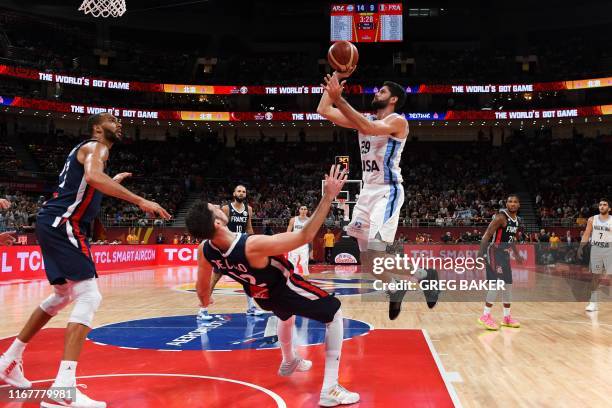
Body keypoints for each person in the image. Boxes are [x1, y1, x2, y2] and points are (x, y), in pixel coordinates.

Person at [0, 113, 170, 407]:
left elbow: (88, 183)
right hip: (63, 223)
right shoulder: (97, 147)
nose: (118, 123)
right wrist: (141, 200)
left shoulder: (87, 151)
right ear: (96, 128)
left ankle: (8, 360)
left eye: (120, 121)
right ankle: (63, 389)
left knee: (61, 295)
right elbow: (92, 177)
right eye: (112, 120)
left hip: (51, 221)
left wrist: (110, 181)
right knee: (89, 295)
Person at [186, 165, 359, 407]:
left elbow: (202, 290)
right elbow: (305, 236)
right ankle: (330, 388)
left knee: (285, 318)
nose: (218, 206)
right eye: (214, 208)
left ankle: (289, 359)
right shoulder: (251, 245)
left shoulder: (204, 251)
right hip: (284, 287)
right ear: (216, 222)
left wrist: (205, 302)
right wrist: (329, 195)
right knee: (334, 312)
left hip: (261, 294)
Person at [318, 70, 439, 320]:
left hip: (388, 191)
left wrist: (340, 99)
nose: (376, 93)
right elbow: (324, 110)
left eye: (382, 91)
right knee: (371, 265)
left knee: (378, 252)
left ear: (393, 99)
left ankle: (427, 275)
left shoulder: (398, 121)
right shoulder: (363, 119)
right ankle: (399, 286)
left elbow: (371, 127)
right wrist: (336, 80)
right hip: (367, 192)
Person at [197, 184, 263, 322]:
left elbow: (249, 228)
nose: (241, 193)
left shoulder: (248, 209)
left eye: (243, 192)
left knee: (248, 278)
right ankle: (202, 310)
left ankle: (251, 308)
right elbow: (219, 227)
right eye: (239, 191)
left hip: (242, 246)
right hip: (226, 247)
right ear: (234, 193)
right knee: (215, 278)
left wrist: (253, 242)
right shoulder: (226, 209)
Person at [477, 195, 524, 330]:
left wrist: (517, 255)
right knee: (497, 284)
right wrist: (480, 255)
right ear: (506, 204)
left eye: (515, 202)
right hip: (494, 253)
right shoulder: (500, 217)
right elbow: (486, 235)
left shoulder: (517, 220)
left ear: (519, 205)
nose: (513, 204)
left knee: (508, 285)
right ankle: (485, 316)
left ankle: (507, 317)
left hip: (504, 254)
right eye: (510, 201)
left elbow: (511, 240)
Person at [578, 198, 611, 312]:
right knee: (595, 277)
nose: (602, 206)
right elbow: (587, 234)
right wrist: (581, 247)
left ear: (609, 208)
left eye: (605, 205)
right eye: (600, 205)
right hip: (596, 250)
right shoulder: (592, 219)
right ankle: (593, 302)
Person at [287, 206, 311, 275]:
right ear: (299, 210)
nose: (303, 210)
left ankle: (306, 281)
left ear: (307, 211)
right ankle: (292, 280)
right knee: (292, 264)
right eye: (302, 209)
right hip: (294, 244)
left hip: (304, 244)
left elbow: (311, 234)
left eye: (305, 209)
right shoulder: (293, 220)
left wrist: (311, 249)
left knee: (304, 264)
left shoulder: (309, 221)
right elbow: (288, 232)